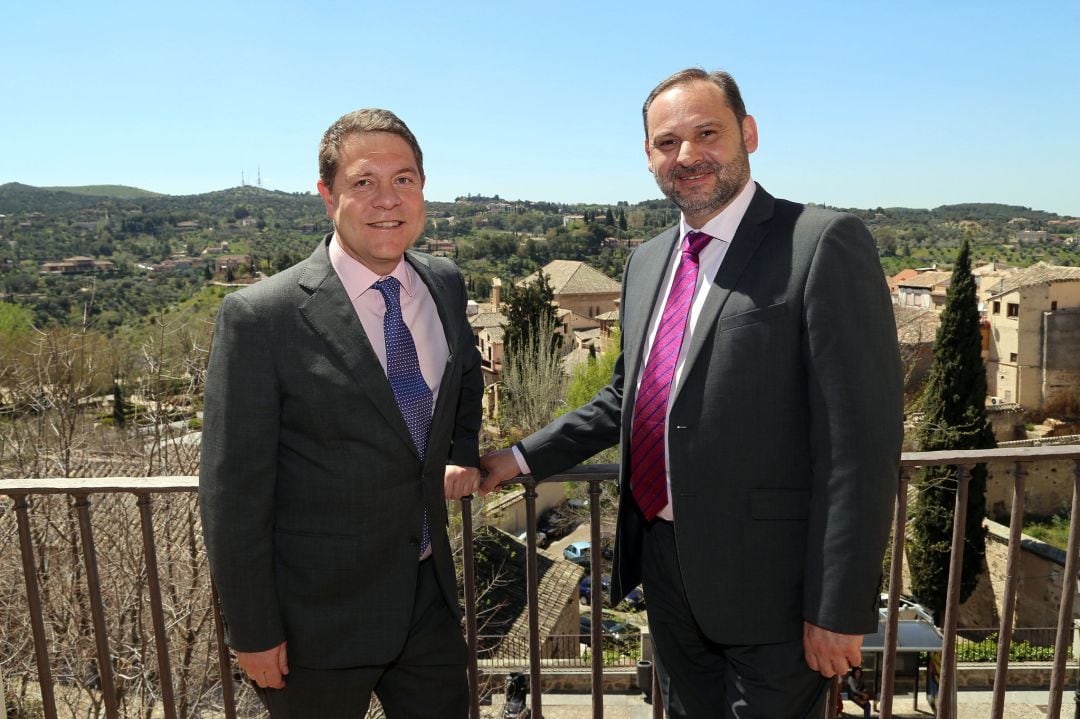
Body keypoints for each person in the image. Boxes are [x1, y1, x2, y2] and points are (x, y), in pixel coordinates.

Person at [480, 68, 904, 718]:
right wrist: (518, 458)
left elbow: (861, 446)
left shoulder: (821, 243)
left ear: (749, 133)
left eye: (707, 133)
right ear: (649, 157)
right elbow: (629, 396)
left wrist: (839, 606)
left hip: (776, 589)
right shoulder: (647, 261)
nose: (688, 155)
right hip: (667, 571)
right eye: (667, 142)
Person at [200, 108, 483, 718]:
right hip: (314, 626)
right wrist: (252, 629)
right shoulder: (261, 318)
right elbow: (233, 492)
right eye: (364, 182)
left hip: (429, 603)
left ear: (424, 189)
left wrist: (460, 452)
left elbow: (466, 378)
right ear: (328, 195)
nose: (388, 199)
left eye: (404, 179)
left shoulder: (445, 283)